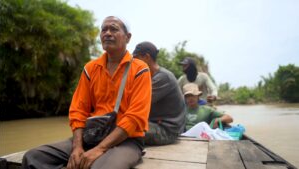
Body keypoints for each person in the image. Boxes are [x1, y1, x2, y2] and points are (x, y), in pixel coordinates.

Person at [21, 16, 152, 169]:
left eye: (114, 29)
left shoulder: (140, 69)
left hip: (126, 140)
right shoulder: (91, 68)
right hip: (91, 136)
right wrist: (77, 147)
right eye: (104, 30)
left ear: (127, 37)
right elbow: (78, 110)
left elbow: (135, 117)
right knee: (33, 158)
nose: (107, 33)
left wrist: (100, 149)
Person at [133, 41, 186, 145]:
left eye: (136, 59)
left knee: (123, 130)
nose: (133, 63)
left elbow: (136, 102)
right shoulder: (148, 76)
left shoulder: (163, 77)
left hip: (166, 131)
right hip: (153, 124)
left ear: (146, 57)